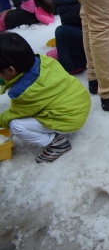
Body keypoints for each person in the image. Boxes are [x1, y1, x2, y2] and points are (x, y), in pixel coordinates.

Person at [0, 32, 91, 163]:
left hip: (69, 117)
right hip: (79, 101)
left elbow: (14, 115)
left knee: (16, 125)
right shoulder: (43, 61)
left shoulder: (24, 92)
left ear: (11, 70)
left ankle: (58, 143)